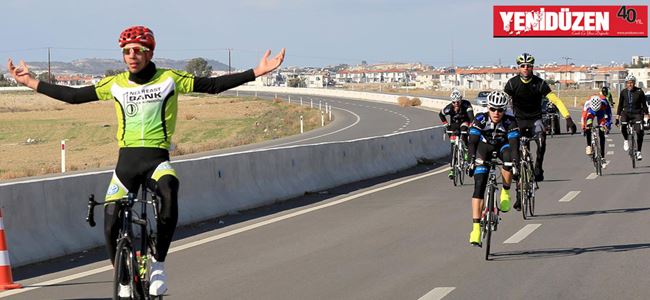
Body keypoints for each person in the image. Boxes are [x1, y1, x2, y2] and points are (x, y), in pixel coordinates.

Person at [6, 25, 285, 297]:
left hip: (156, 160)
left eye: (137, 51)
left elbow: (212, 85)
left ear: (149, 53)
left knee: (169, 191)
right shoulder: (115, 83)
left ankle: (159, 266)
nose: (131, 56)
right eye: (127, 51)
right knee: (110, 220)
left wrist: (257, 72)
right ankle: (123, 277)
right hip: (126, 164)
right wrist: (31, 82)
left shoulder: (169, 79)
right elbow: (75, 96)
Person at [504, 53, 576, 188]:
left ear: (532, 67)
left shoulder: (540, 83)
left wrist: (568, 118)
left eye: (529, 66)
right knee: (513, 144)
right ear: (518, 68)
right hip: (518, 120)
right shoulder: (512, 84)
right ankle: (516, 169)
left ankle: (538, 168)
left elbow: (556, 100)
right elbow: (502, 103)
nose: (526, 68)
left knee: (541, 140)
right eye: (523, 66)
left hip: (535, 120)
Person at [467, 91, 520, 246]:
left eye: (500, 110)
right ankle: (476, 228)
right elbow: (472, 142)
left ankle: (505, 192)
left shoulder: (510, 122)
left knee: (509, 160)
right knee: (479, 185)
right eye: (493, 109)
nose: (496, 113)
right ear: (488, 108)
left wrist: (516, 163)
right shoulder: (480, 119)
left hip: (503, 146)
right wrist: (470, 160)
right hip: (484, 147)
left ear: (505, 110)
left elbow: (514, 145)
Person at [439, 88, 474, 178]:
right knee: (453, 145)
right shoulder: (449, 108)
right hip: (454, 125)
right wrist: (446, 124)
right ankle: (452, 169)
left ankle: (465, 150)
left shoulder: (466, 104)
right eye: (454, 102)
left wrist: (471, 126)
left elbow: (471, 118)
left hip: (464, 122)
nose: (456, 104)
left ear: (461, 100)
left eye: (458, 102)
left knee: (463, 131)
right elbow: (441, 114)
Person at [615, 74, 648, 160]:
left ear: (634, 83)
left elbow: (644, 105)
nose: (630, 84)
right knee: (623, 125)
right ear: (626, 83)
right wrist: (617, 117)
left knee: (640, 131)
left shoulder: (640, 92)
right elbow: (620, 105)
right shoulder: (623, 92)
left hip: (637, 114)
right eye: (628, 83)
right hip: (626, 113)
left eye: (631, 83)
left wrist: (647, 115)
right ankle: (626, 140)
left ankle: (639, 152)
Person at [583, 95, 612, 167]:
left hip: (601, 113)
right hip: (591, 111)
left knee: (602, 132)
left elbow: (609, 115)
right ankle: (589, 146)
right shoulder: (587, 103)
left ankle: (602, 157)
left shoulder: (604, 103)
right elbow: (583, 117)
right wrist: (584, 127)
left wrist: (607, 125)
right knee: (588, 125)